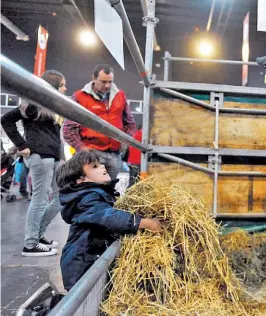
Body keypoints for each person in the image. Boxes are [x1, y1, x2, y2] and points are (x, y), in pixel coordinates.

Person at [56, 150, 163, 291]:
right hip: (81, 268)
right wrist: (144, 223)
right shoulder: (86, 200)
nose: (102, 166)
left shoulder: (97, 193)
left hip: (92, 261)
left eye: (100, 163)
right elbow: (108, 217)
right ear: (81, 179)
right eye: (94, 166)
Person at [1, 70, 67, 256]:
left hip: (52, 157)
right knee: (39, 199)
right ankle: (30, 245)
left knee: (59, 197)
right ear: (53, 86)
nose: (65, 88)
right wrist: (22, 145)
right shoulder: (34, 105)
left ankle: (37, 235)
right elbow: (6, 120)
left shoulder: (53, 106)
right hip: (40, 157)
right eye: (62, 84)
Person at [63, 64, 136, 181]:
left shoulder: (120, 96)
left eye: (110, 82)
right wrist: (81, 148)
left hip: (114, 154)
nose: (107, 85)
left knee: (109, 190)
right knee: (89, 189)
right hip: (91, 153)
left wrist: (124, 141)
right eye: (103, 82)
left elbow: (130, 124)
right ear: (93, 78)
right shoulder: (80, 96)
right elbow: (68, 129)